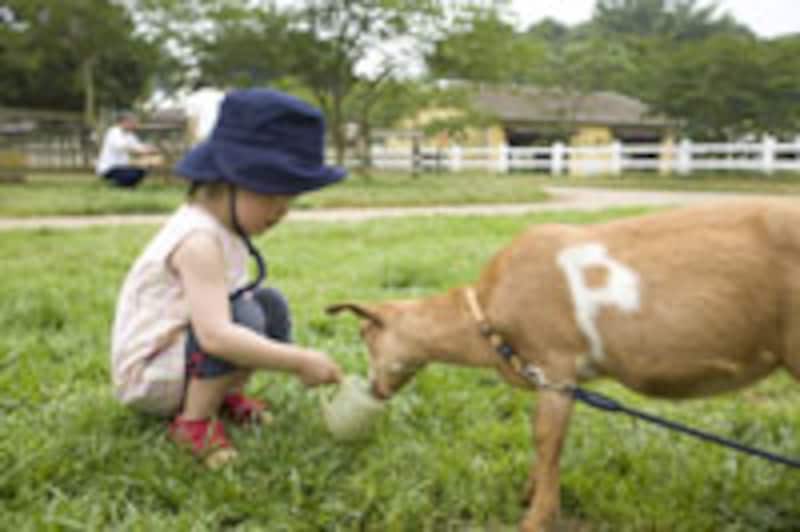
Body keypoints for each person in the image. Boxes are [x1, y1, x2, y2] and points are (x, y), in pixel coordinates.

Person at [110, 89, 346, 467]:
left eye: (291, 200)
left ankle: (222, 396)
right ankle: (194, 422)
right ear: (230, 180)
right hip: (151, 374)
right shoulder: (198, 240)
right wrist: (299, 360)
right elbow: (216, 335)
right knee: (242, 317)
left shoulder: (225, 229)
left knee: (268, 304)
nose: (283, 211)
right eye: (273, 196)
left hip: (183, 356)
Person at [95, 112, 159, 188]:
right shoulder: (113, 132)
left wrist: (150, 148)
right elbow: (122, 146)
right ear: (124, 122)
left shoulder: (129, 135)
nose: (134, 125)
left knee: (142, 171)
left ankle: (126, 186)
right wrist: (142, 151)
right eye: (132, 122)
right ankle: (115, 185)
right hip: (109, 168)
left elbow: (138, 146)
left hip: (122, 167)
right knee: (132, 174)